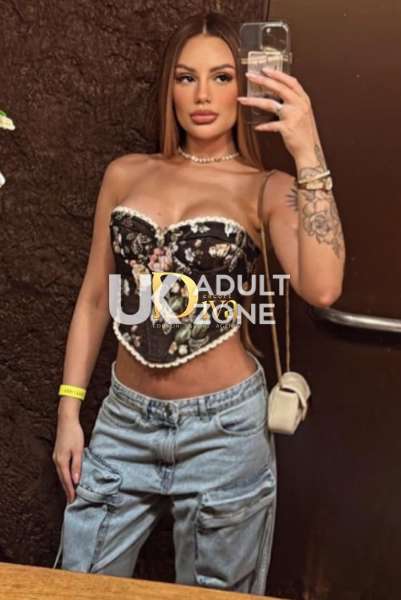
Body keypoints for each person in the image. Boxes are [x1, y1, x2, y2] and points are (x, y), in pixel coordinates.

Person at [51, 9, 345, 596]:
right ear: (170, 88)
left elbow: (322, 288)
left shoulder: (267, 188)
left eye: (222, 77)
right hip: (124, 422)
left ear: (246, 85)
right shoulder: (125, 174)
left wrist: (307, 150)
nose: (203, 95)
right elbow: (95, 300)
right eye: (187, 78)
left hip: (224, 431)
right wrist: (69, 412)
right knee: (77, 586)